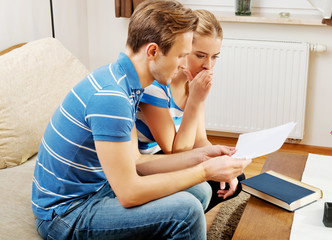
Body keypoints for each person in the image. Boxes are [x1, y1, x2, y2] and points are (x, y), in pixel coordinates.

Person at [31, 1, 251, 239]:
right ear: (153, 51)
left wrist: (203, 156)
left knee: (198, 191)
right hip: (66, 214)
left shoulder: (125, 82)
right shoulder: (112, 99)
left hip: (100, 186)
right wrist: (206, 171)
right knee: (187, 211)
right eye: (181, 55)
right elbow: (128, 192)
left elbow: (137, 161)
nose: (182, 65)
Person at [136, 9, 245, 212]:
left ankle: (183, 217)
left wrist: (222, 162)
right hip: (150, 162)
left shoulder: (191, 82)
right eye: (200, 55)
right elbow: (174, 151)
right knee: (207, 185)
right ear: (183, 49)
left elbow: (200, 141)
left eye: (215, 57)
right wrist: (195, 100)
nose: (208, 66)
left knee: (237, 177)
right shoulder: (155, 86)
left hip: (171, 155)